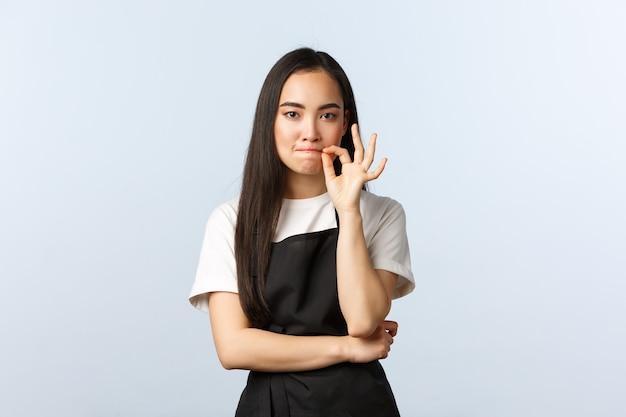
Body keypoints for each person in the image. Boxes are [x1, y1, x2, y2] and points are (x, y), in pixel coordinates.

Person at [189, 47, 414, 416]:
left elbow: (360, 320)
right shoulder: (232, 221)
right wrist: (345, 348)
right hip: (272, 407)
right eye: (292, 114)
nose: (309, 132)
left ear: (344, 125)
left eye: (327, 114)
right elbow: (232, 348)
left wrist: (349, 211)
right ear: (270, 122)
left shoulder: (383, 214)